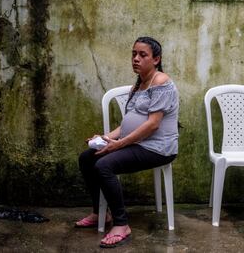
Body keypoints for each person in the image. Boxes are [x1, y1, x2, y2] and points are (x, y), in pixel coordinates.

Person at [76, 37, 179, 248]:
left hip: (158, 148)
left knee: (105, 165)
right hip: (139, 143)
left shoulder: (160, 82)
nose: (136, 59)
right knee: (87, 158)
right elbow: (126, 126)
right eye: (134, 54)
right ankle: (100, 214)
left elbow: (152, 125)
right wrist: (105, 138)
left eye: (143, 55)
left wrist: (118, 144)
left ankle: (122, 224)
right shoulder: (140, 83)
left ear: (156, 59)